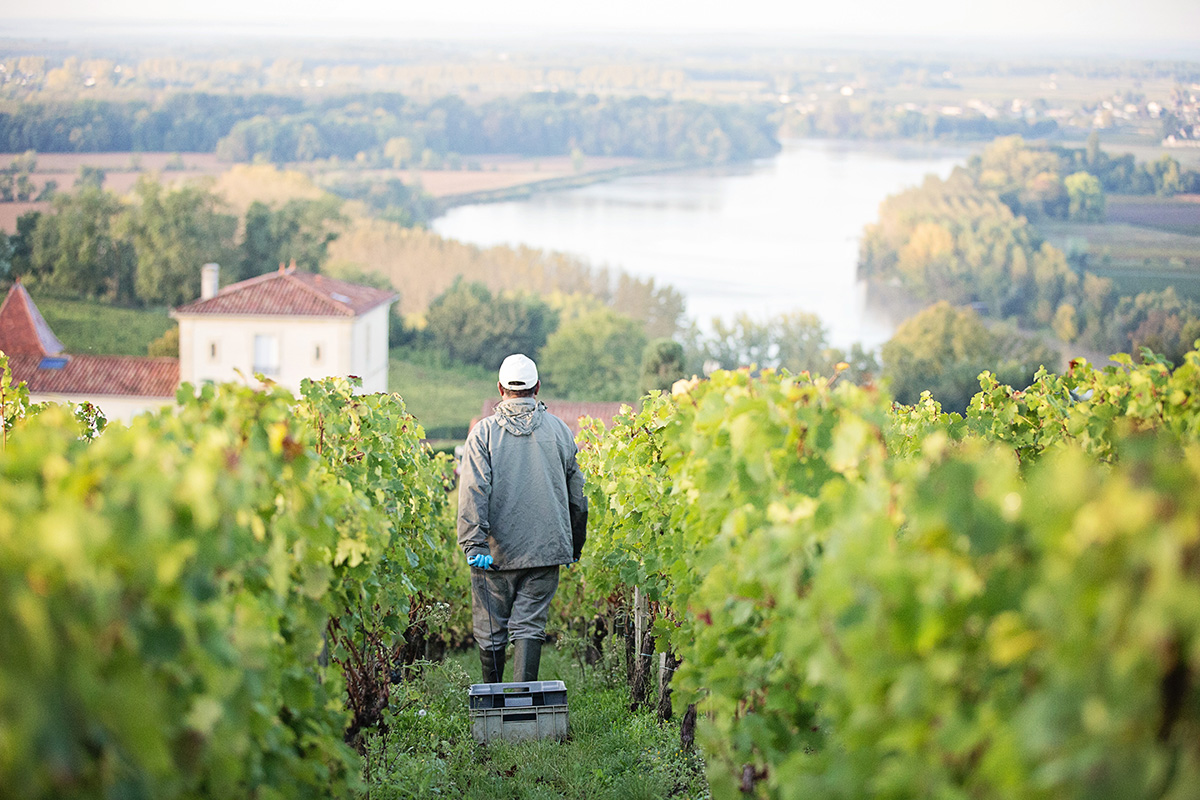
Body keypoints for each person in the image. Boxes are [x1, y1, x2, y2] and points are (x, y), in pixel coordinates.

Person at [457, 353, 587, 684]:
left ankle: (493, 704)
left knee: (491, 627)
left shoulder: (483, 433)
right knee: (530, 624)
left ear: (500, 388)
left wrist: (474, 544)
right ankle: (523, 702)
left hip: (494, 554)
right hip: (547, 550)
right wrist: (573, 544)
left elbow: (474, 489)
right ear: (537, 388)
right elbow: (578, 497)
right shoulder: (560, 431)